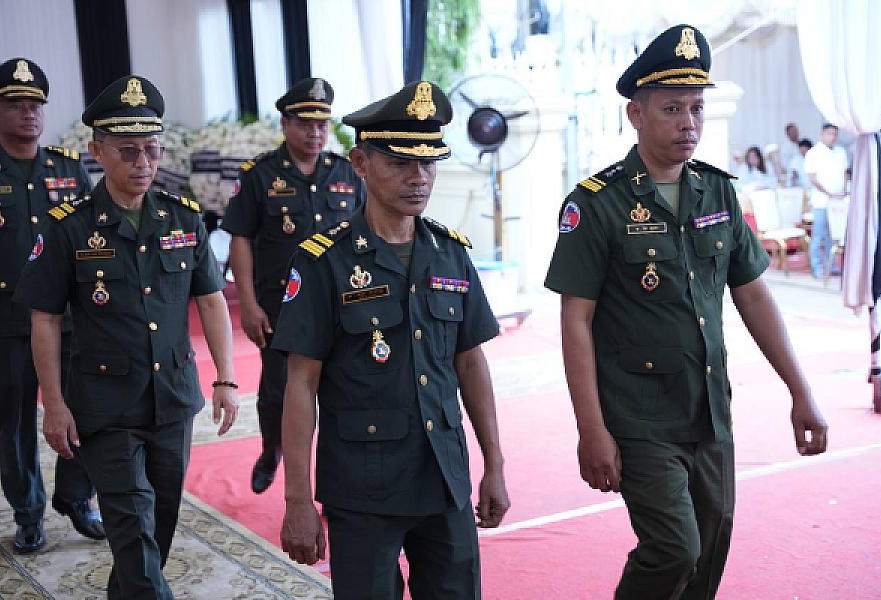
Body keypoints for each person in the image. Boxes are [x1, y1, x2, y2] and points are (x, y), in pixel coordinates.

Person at [545, 25, 828, 600]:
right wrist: (591, 429)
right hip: (640, 418)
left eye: (696, 108)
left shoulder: (717, 193)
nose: (688, 123)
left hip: (709, 412)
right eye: (671, 109)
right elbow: (576, 321)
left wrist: (801, 392)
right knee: (674, 548)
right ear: (635, 114)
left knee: (709, 552)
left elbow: (753, 295)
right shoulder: (597, 205)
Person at [274, 81, 510, 598]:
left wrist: (494, 464)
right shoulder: (324, 262)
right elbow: (301, 384)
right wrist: (297, 499)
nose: (418, 177)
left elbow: (471, 365)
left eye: (428, 163)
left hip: (444, 476)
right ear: (360, 163)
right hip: (363, 488)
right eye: (400, 163)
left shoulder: (450, 253)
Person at [14, 75, 239, 598]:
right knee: (134, 529)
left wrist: (226, 378)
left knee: (157, 527)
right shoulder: (69, 228)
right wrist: (54, 404)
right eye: (129, 151)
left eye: (152, 150)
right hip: (105, 404)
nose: (143, 162)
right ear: (97, 151)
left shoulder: (183, 220)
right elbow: (44, 318)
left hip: (173, 399)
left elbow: (210, 300)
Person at [221, 77, 363, 494]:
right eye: (304, 124)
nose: (314, 133)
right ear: (285, 124)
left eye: (321, 124)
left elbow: (364, 235)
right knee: (277, 392)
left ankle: (337, 482)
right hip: (281, 305)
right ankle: (272, 450)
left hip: (339, 304)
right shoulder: (259, 175)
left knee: (343, 392)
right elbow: (240, 239)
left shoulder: (346, 173)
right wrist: (247, 303)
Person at [0, 57, 105, 553]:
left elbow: (93, 238)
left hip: (69, 320)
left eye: (35, 104)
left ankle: (78, 498)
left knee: (82, 408)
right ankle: (28, 511)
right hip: (7, 320)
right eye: (15, 104)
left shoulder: (68, 168)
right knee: (15, 421)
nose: (29, 113)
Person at [804, 124, 849, 278]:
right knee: (818, 236)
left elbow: (845, 173)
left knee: (834, 235)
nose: (832, 137)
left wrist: (843, 190)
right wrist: (828, 192)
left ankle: (832, 265)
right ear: (822, 134)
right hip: (821, 201)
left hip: (838, 200)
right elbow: (812, 177)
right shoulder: (813, 153)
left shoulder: (841, 152)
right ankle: (817, 267)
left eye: (835, 134)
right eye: (829, 133)